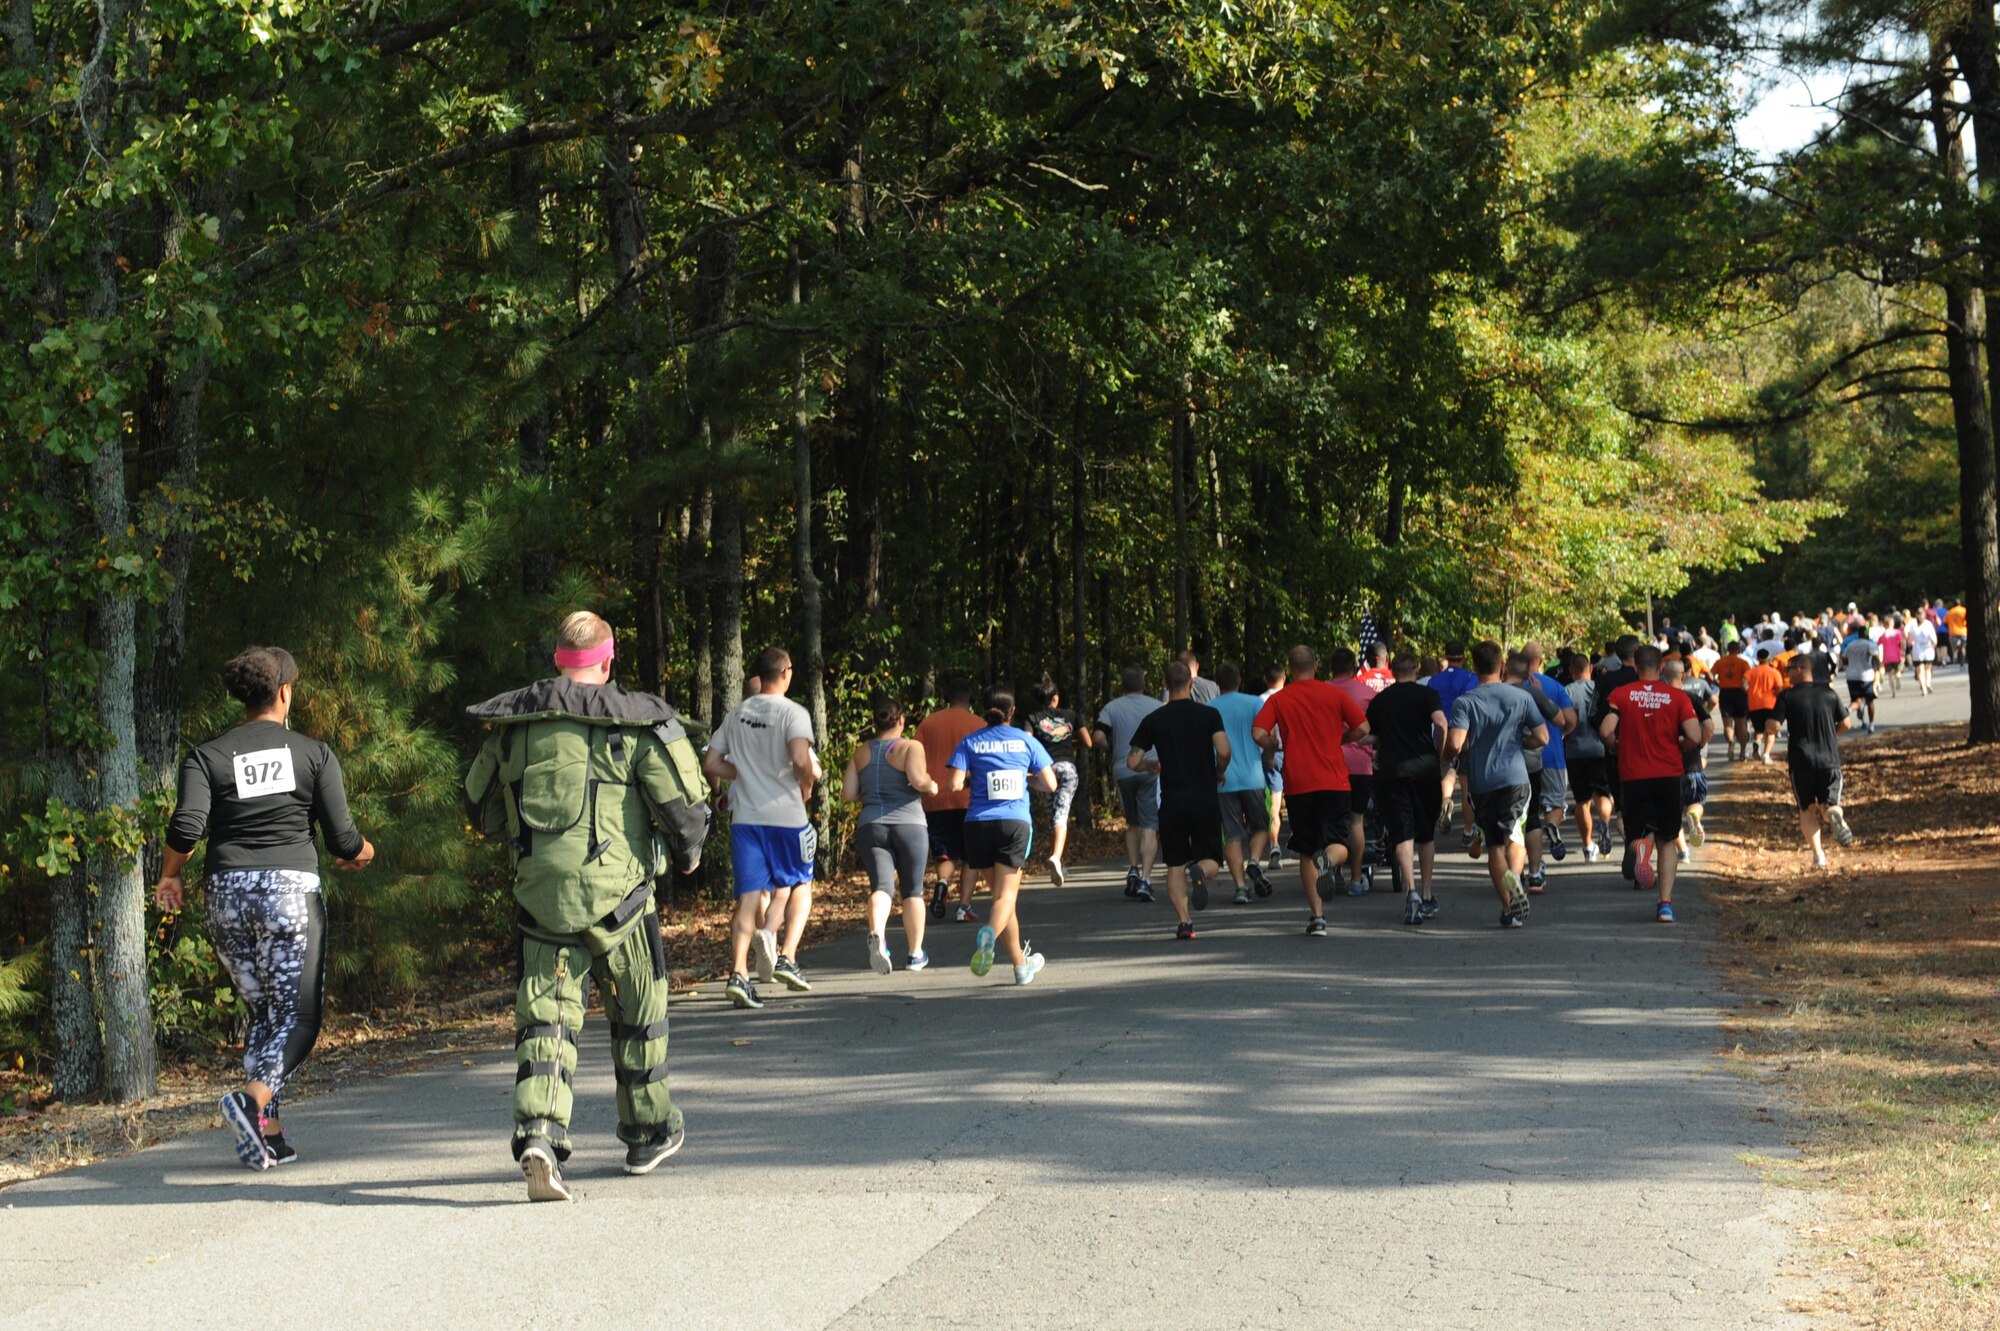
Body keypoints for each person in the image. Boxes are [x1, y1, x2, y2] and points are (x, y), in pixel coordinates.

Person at [464, 613, 711, 1199]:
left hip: (541, 903)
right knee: (638, 1015)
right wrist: (689, 857)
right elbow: (685, 809)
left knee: (546, 1020)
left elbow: (478, 809)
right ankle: (648, 1132)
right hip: (620, 904)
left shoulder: (513, 728)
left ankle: (540, 1135)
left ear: (557, 660)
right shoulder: (644, 722)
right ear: (609, 659)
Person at [156, 646, 375, 1172]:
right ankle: (250, 1102)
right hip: (288, 895)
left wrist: (169, 874)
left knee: (265, 1014)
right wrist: (364, 852)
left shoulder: (207, 756)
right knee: (299, 1018)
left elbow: (187, 829)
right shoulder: (312, 753)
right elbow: (344, 840)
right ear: (284, 692)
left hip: (227, 897)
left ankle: (268, 1133)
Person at [705, 648, 819, 1008]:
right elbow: (801, 760)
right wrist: (807, 778)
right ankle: (787, 956)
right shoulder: (793, 712)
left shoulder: (736, 714)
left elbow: (711, 761)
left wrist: (742, 774)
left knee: (748, 898)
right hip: (786, 817)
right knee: (800, 883)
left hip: (747, 821)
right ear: (786, 672)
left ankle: (738, 974)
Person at [1253, 645, 1370, 937]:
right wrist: (1341, 738)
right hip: (1334, 780)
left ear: (1290, 670)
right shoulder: (1334, 694)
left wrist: (1274, 744)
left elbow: (1258, 733)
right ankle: (1329, 862)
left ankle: (1317, 917)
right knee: (1339, 841)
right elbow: (1364, 727)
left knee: (1307, 849)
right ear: (1316, 666)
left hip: (1298, 783)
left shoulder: (1281, 699)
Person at [947, 689, 1059, 984]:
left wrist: (977, 777)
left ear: (984, 711)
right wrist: (1024, 777)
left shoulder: (970, 742)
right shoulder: (1026, 740)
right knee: (1006, 897)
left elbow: (954, 783)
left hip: (977, 825)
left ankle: (1021, 967)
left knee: (1000, 899)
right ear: (1013, 712)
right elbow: (1050, 784)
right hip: (1013, 823)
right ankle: (989, 936)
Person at [1440, 641, 1547, 928]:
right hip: (1516, 778)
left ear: (1474, 668)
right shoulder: (1521, 698)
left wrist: (1447, 757)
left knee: (1494, 846)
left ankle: (1509, 906)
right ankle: (1516, 876)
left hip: (1482, 782)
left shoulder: (1466, 701)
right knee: (1515, 835)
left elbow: (1455, 743)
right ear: (1502, 666)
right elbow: (1543, 737)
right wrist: (1520, 743)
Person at [1127, 661, 1229, 940]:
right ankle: (1200, 871)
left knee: (1174, 864)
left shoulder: (1154, 720)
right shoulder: (1209, 714)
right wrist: (1219, 772)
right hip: (1204, 798)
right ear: (1191, 683)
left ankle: (1185, 923)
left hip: (1172, 801)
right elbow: (1224, 750)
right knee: (1212, 860)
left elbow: (1132, 760)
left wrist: (1148, 766)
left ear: (1164, 683)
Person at [1601, 645, 1702, 923]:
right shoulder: (1677, 697)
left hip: (1634, 775)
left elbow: (1606, 730)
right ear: (1660, 668)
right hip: (1668, 773)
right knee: (1668, 840)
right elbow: (1694, 735)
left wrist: (1615, 747)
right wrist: (1681, 744)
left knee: (1638, 834)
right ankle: (1665, 904)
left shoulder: (1621, 695)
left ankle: (1642, 853)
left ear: (1635, 667)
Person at [842, 691, 936, 975]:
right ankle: (915, 954)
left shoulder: (861, 752)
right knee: (912, 891)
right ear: (902, 720)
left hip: (872, 825)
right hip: (910, 825)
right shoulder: (911, 747)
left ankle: (878, 936)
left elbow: (848, 794)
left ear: (875, 722)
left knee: (881, 887)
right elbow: (918, 779)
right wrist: (931, 785)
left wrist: (871, 795)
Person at [1366, 652, 1446, 925]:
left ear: (1392, 670)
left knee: (1402, 834)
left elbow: (1367, 734)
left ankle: (1410, 890)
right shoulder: (1427, 695)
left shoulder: (1379, 701)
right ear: (1415, 670)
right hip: (1424, 769)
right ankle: (1426, 893)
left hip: (1392, 771)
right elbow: (1441, 722)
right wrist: (1439, 751)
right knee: (1425, 834)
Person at [1776, 653, 1857, 868]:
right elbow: (1846, 723)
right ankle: (1834, 816)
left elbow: (1772, 726)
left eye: (1789, 669)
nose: (1787, 674)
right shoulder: (1828, 693)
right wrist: (1832, 735)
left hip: (1800, 761)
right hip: (1828, 760)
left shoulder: (1787, 697)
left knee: (1806, 809)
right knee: (1830, 804)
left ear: (1799, 669)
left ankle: (1819, 855)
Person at [915, 677, 986, 922]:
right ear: (971, 699)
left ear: (947, 698)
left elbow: (916, 758)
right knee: (971, 855)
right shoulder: (980, 724)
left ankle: (943, 882)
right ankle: (963, 907)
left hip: (935, 798)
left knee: (944, 852)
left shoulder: (928, 723)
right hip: (970, 799)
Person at [1096, 666, 1164, 900]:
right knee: (1149, 825)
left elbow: (1098, 736)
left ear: (1122, 686)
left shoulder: (1111, 707)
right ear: (1144, 685)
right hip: (1150, 769)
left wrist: (1110, 749)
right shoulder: (1156, 706)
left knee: (1132, 823)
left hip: (1123, 770)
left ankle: (1133, 868)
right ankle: (1145, 879)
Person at [1212, 661, 1277, 903]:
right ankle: (1254, 861)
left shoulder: (1209, 708)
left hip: (1224, 779)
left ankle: (1240, 887)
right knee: (1260, 825)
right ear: (1238, 680)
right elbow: (1267, 735)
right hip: (1253, 777)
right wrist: (1271, 753)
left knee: (1232, 835)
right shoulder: (1254, 703)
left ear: (1217, 683)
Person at [1519, 643, 1576, 890]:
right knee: (1554, 804)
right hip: (1552, 754)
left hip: (1519, 759)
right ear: (1541, 660)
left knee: (1524, 815)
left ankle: (1527, 866)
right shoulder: (1555, 686)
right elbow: (1570, 719)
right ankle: (1552, 825)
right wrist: (1562, 734)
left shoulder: (1510, 687)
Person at [1026, 674, 1091, 886]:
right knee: (1060, 816)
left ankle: (1058, 860)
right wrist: (1069, 745)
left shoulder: (1032, 718)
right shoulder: (1071, 715)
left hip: (1043, 771)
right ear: (1055, 698)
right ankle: (1056, 858)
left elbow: (1027, 744)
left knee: (1053, 815)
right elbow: (1088, 742)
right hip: (1067, 768)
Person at [1328, 648, 1378, 895]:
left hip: (1328, 763)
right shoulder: (1368, 694)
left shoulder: (1320, 692)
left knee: (1334, 819)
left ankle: (1334, 870)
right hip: (1360, 764)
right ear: (1353, 668)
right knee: (1357, 820)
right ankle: (1356, 879)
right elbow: (1374, 731)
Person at [1560, 651, 1615, 862]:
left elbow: (1562, 719)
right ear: (1590, 669)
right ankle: (1604, 823)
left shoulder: (1565, 692)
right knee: (1603, 795)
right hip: (1600, 749)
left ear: (1571, 671)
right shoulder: (1598, 689)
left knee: (1582, 801)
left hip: (1575, 752)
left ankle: (1588, 846)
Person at [1427, 641, 1480, 847]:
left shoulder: (1435, 680)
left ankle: (1446, 800)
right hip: (1464, 733)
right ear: (1463, 657)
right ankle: (1468, 830)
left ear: (1446, 656)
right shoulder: (1470, 678)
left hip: (1441, 732)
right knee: (1466, 782)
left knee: (1447, 771)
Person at [1662, 660, 1715, 855]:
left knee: (1671, 812)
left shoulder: (1659, 700)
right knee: (1696, 802)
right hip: (1692, 763)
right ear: (1683, 676)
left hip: (1666, 767)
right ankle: (1694, 815)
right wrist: (1699, 744)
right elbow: (1709, 727)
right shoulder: (1692, 698)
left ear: (1663, 675)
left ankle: (1683, 851)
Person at [1258, 664, 1289, 871]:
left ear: (1265, 679)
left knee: (1275, 804)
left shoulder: (1259, 700)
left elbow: (1264, 728)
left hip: (1270, 753)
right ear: (1284, 678)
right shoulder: (1291, 697)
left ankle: (1275, 844)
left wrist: (1268, 753)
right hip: (1292, 752)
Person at [1710, 639, 1752, 761]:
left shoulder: (1720, 662)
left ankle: (1730, 744)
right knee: (1741, 723)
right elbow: (1748, 679)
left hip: (1725, 692)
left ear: (1727, 650)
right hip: (1739, 693)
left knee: (1728, 724)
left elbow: (1710, 674)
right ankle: (1743, 751)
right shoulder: (1743, 663)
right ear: (1738, 650)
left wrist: (1717, 683)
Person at [1745, 647, 1786, 764]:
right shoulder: (1775, 672)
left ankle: (1757, 742)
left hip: (1754, 704)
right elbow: (1779, 689)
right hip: (1770, 704)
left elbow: (1744, 685)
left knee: (1758, 729)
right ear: (1768, 659)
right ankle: (1766, 754)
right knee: (1770, 731)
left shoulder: (1750, 672)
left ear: (1758, 658)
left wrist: (1750, 691)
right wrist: (1773, 693)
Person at [1840, 622, 1882, 734]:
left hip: (1851, 676)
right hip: (1866, 675)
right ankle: (1871, 724)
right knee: (1870, 701)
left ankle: (1849, 709)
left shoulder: (1851, 645)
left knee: (1856, 700)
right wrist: (1878, 670)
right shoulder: (1869, 644)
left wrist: (1850, 664)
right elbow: (1877, 659)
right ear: (1867, 634)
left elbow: (1843, 659)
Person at [1909, 612, 1938, 695]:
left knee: (1920, 671)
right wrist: (1933, 645)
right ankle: (1928, 683)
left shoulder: (1913, 626)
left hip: (1917, 651)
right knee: (1928, 669)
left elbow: (1910, 642)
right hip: (1928, 650)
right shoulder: (1928, 625)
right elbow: (1934, 639)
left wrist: (1912, 645)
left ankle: (1924, 688)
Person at [1879, 615, 1905, 697]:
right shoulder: (1897, 632)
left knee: (1890, 674)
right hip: (1896, 656)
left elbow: (1877, 644)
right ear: (1892, 624)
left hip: (1886, 657)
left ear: (1885, 625)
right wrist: (1903, 652)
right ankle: (1898, 677)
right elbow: (1902, 642)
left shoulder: (1883, 635)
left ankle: (1893, 691)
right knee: (1898, 670)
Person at [1947, 600, 1970, 666]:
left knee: (1955, 646)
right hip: (1963, 631)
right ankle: (1962, 661)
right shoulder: (1964, 610)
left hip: (1953, 632)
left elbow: (1945, 622)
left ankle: (1955, 654)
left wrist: (1950, 627)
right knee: (1963, 647)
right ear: (1960, 604)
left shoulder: (1950, 612)